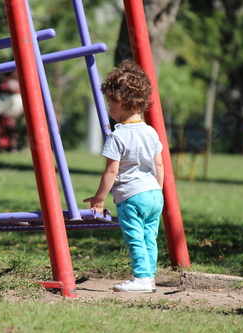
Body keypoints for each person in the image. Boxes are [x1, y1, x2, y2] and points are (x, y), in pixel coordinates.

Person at [83, 60, 164, 293]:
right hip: (154, 194)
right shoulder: (151, 132)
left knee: (135, 238)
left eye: (110, 103)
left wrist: (99, 198)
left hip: (131, 196)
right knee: (150, 237)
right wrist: (157, 190)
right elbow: (159, 164)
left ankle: (140, 278)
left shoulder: (118, 136)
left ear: (120, 102)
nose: (110, 109)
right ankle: (149, 278)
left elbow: (111, 171)